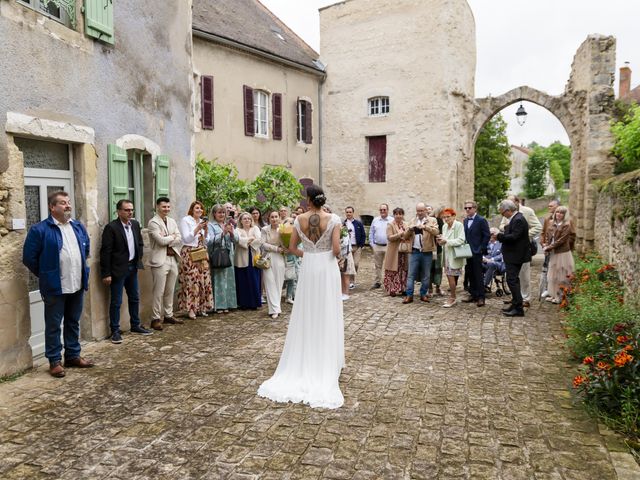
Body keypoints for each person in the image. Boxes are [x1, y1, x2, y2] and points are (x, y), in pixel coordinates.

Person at [258, 184, 344, 409]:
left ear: (307, 200)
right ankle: (327, 360)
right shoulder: (334, 219)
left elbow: (292, 247)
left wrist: (310, 254)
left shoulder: (298, 220)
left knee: (307, 311)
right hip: (326, 267)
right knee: (327, 310)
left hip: (309, 266)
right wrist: (334, 254)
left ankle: (305, 357)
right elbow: (336, 249)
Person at [23, 190, 94, 377]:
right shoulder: (39, 230)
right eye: (63, 203)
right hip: (55, 286)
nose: (68, 206)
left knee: (73, 322)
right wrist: (46, 274)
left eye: (68, 202)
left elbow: (86, 249)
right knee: (54, 325)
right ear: (52, 207)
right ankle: (54, 360)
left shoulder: (77, 226)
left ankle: (72, 355)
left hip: (77, 284)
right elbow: (29, 258)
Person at [100, 199, 152, 344]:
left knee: (134, 297)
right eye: (127, 210)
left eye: (131, 210)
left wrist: (138, 257)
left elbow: (139, 243)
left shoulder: (135, 224)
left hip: (132, 267)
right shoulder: (111, 228)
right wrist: (106, 273)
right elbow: (105, 252)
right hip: (117, 270)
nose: (130, 212)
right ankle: (115, 331)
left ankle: (135, 325)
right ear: (118, 211)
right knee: (116, 301)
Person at [499, 195, 542, 307]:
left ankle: (525, 298)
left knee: (523, 276)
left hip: (522, 248)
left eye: (512, 201)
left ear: (517, 202)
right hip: (511, 248)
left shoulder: (526, 212)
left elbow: (538, 227)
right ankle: (516, 298)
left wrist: (523, 235)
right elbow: (503, 225)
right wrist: (506, 230)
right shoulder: (508, 213)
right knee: (513, 277)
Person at [148, 197, 183, 330]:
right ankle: (155, 318)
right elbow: (160, 241)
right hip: (160, 260)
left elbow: (179, 238)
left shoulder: (172, 221)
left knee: (170, 290)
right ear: (157, 207)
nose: (166, 209)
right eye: (164, 207)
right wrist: (172, 237)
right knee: (159, 291)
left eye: (168, 207)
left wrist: (169, 238)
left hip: (172, 258)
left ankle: (168, 315)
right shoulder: (153, 222)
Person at [178, 201, 214, 319]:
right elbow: (186, 238)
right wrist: (197, 228)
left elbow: (206, 241)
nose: (199, 210)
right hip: (189, 252)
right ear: (192, 210)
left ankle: (202, 307)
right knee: (191, 281)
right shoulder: (186, 220)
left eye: (201, 209)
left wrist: (206, 231)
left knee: (203, 280)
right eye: (197, 208)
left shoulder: (202, 222)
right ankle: (191, 309)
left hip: (201, 252)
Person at [497, 199, 531, 317]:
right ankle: (516, 303)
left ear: (508, 211)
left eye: (502, 212)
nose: (502, 215)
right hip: (513, 255)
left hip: (515, 255)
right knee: (513, 280)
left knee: (512, 280)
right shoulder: (515, 219)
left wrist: (499, 236)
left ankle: (518, 308)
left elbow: (514, 237)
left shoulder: (518, 219)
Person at [401, 202, 439, 303]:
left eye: (422, 210)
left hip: (427, 252)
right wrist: (410, 229)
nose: (420, 213)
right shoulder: (412, 220)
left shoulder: (432, 220)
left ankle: (423, 294)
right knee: (411, 274)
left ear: (426, 210)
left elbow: (436, 232)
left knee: (426, 275)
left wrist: (425, 227)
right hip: (414, 251)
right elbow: (405, 236)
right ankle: (409, 295)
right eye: (418, 211)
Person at [208, 204, 238, 313]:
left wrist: (231, 233)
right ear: (214, 214)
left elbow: (236, 241)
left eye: (223, 212)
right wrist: (222, 233)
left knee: (229, 279)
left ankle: (229, 304)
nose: (221, 214)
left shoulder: (229, 224)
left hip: (229, 253)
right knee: (219, 280)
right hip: (218, 254)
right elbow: (209, 241)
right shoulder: (211, 225)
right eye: (219, 212)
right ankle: (219, 305)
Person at [543, 206, 575, 304]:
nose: (559, 214)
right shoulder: (552, 223)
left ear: (565, 215)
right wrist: (546, 245)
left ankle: (561, 296)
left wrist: (548, 247)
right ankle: (554, 295)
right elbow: (548, 236)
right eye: (557, 212)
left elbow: (561, 240)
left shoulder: (566, 225)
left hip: (562, 253)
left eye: (561, 213)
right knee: (553, 276)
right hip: (553, 252)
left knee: (562, 275)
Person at [462, 200, 491, 307]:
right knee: (469, 273)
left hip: (477, 252)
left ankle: (481, 297)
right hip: (466, 252)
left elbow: (487, 235)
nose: (467, 210)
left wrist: (481, 248)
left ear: (475, 208)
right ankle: (473, 294)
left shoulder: (481, 220)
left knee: (478, 275)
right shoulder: (465, 221)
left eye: (469, 208)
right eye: (466, 208)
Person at [436, 208, 466, 308]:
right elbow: (444, 240)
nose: (446, 219)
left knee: (451, 277)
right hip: (446, 255)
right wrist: (440, 241)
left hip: (455, 255)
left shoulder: (459, 225)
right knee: (449, 276)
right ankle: (452, 297)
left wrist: (447, 241)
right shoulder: (444, 226)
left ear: (453, 216)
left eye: (448, 217)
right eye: (444, 217)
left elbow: (461, 240)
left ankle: (452, 298)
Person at [234, 212, 263, 310]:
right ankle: (244, 304)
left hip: (254, 257)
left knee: (254, 280)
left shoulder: (255, 228)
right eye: (244, 219)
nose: (247, 220)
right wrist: (250, 239)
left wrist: (245, 240)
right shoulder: (237, 230)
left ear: (251, 220)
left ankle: (254, 303)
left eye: (249, 219)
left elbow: (259, 240)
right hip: (241, 258)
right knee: (243, 281)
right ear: (240, 221)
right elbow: (238, 241)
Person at [262, 210, 286, 319]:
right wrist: (276, 248)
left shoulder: (283, 229)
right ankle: (274, 310)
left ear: (279, 217)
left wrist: (286, 248)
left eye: (276, 216)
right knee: (269, 282)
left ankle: (277, 307)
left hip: (279, 259)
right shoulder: (264, 230)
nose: (274, 219)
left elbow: (286, 244)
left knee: (278, 283)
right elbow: (263, 244)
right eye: (272, 217)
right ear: (269, 218)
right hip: (267, 257)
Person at [383, 207, 409, 296]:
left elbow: (408, 235)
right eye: (396, 214)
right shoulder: (390, 224)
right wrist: (399, 234)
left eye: (400, 214)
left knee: (403, 270)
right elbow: (389, 237)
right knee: (393, 270)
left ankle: (403, 288)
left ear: (403, 215)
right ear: (394, 215)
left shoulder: (406, 224)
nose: (398, 216)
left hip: (403, 251)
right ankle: (392, 289)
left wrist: (406, 236)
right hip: (394, 251)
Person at [369, 203, 391, 289]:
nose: (382, 211)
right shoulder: (375, 220)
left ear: (387, 210)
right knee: (378, 265)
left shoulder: (391, 220)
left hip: (388, 246)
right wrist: (372, 244)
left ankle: (388, 281)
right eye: (381, 210)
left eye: (384, 210)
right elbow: (371, 232)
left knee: (388, 265)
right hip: (377, 246)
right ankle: (378, 282)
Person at [343, 206, 366, 289]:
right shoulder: (343, 223)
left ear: (353, 213)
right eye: (347, 212)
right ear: (345, 213)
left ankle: (352, 280)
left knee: (355, 264)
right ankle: (349, 281)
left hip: (357, 246)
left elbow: (363, 234)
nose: (348, 213)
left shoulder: (358, 223)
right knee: (348, 264)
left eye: (350, 212)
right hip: (346, 247)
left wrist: (361, 245)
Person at [429, 206, 445, 296]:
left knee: (437, 268)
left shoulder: (441, 221)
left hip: (438, 248)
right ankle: (431, 288)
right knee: (431, 268)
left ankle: (436, 288)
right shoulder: (433, 220)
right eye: (443, 212)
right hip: (431, 248)